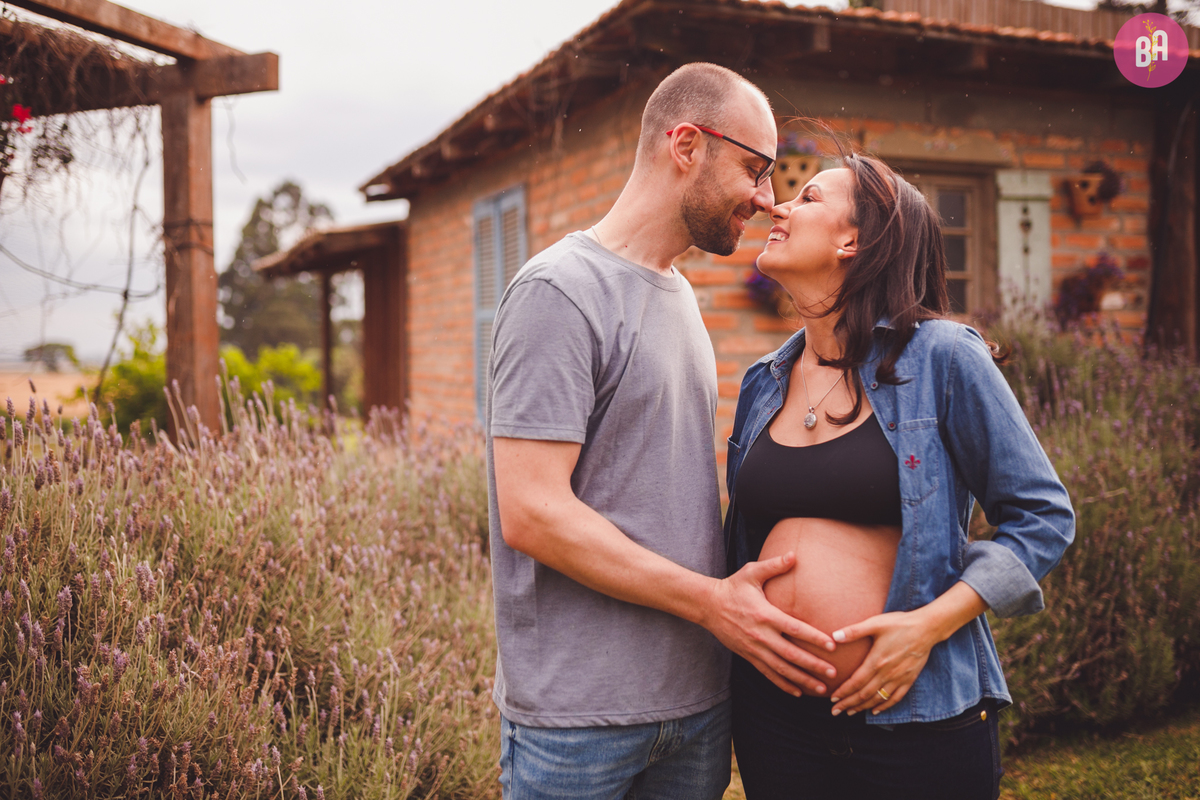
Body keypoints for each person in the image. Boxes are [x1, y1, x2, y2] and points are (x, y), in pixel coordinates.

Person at [485, 63, 843, 800]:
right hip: (579, 723)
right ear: (685, 145)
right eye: (754, 168)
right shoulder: (559, 292)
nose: (766, 198)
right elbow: (531, 513)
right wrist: (713, 603)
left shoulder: (679, 296)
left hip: (695, 708)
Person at [724, 149, 1075, 799]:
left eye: (808, 198)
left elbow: (1043, 515)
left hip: (917, 722)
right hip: (777, 720)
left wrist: (927, 627)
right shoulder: (762, 383)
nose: (778, 204)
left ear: (855, 239)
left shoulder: (942, 356)